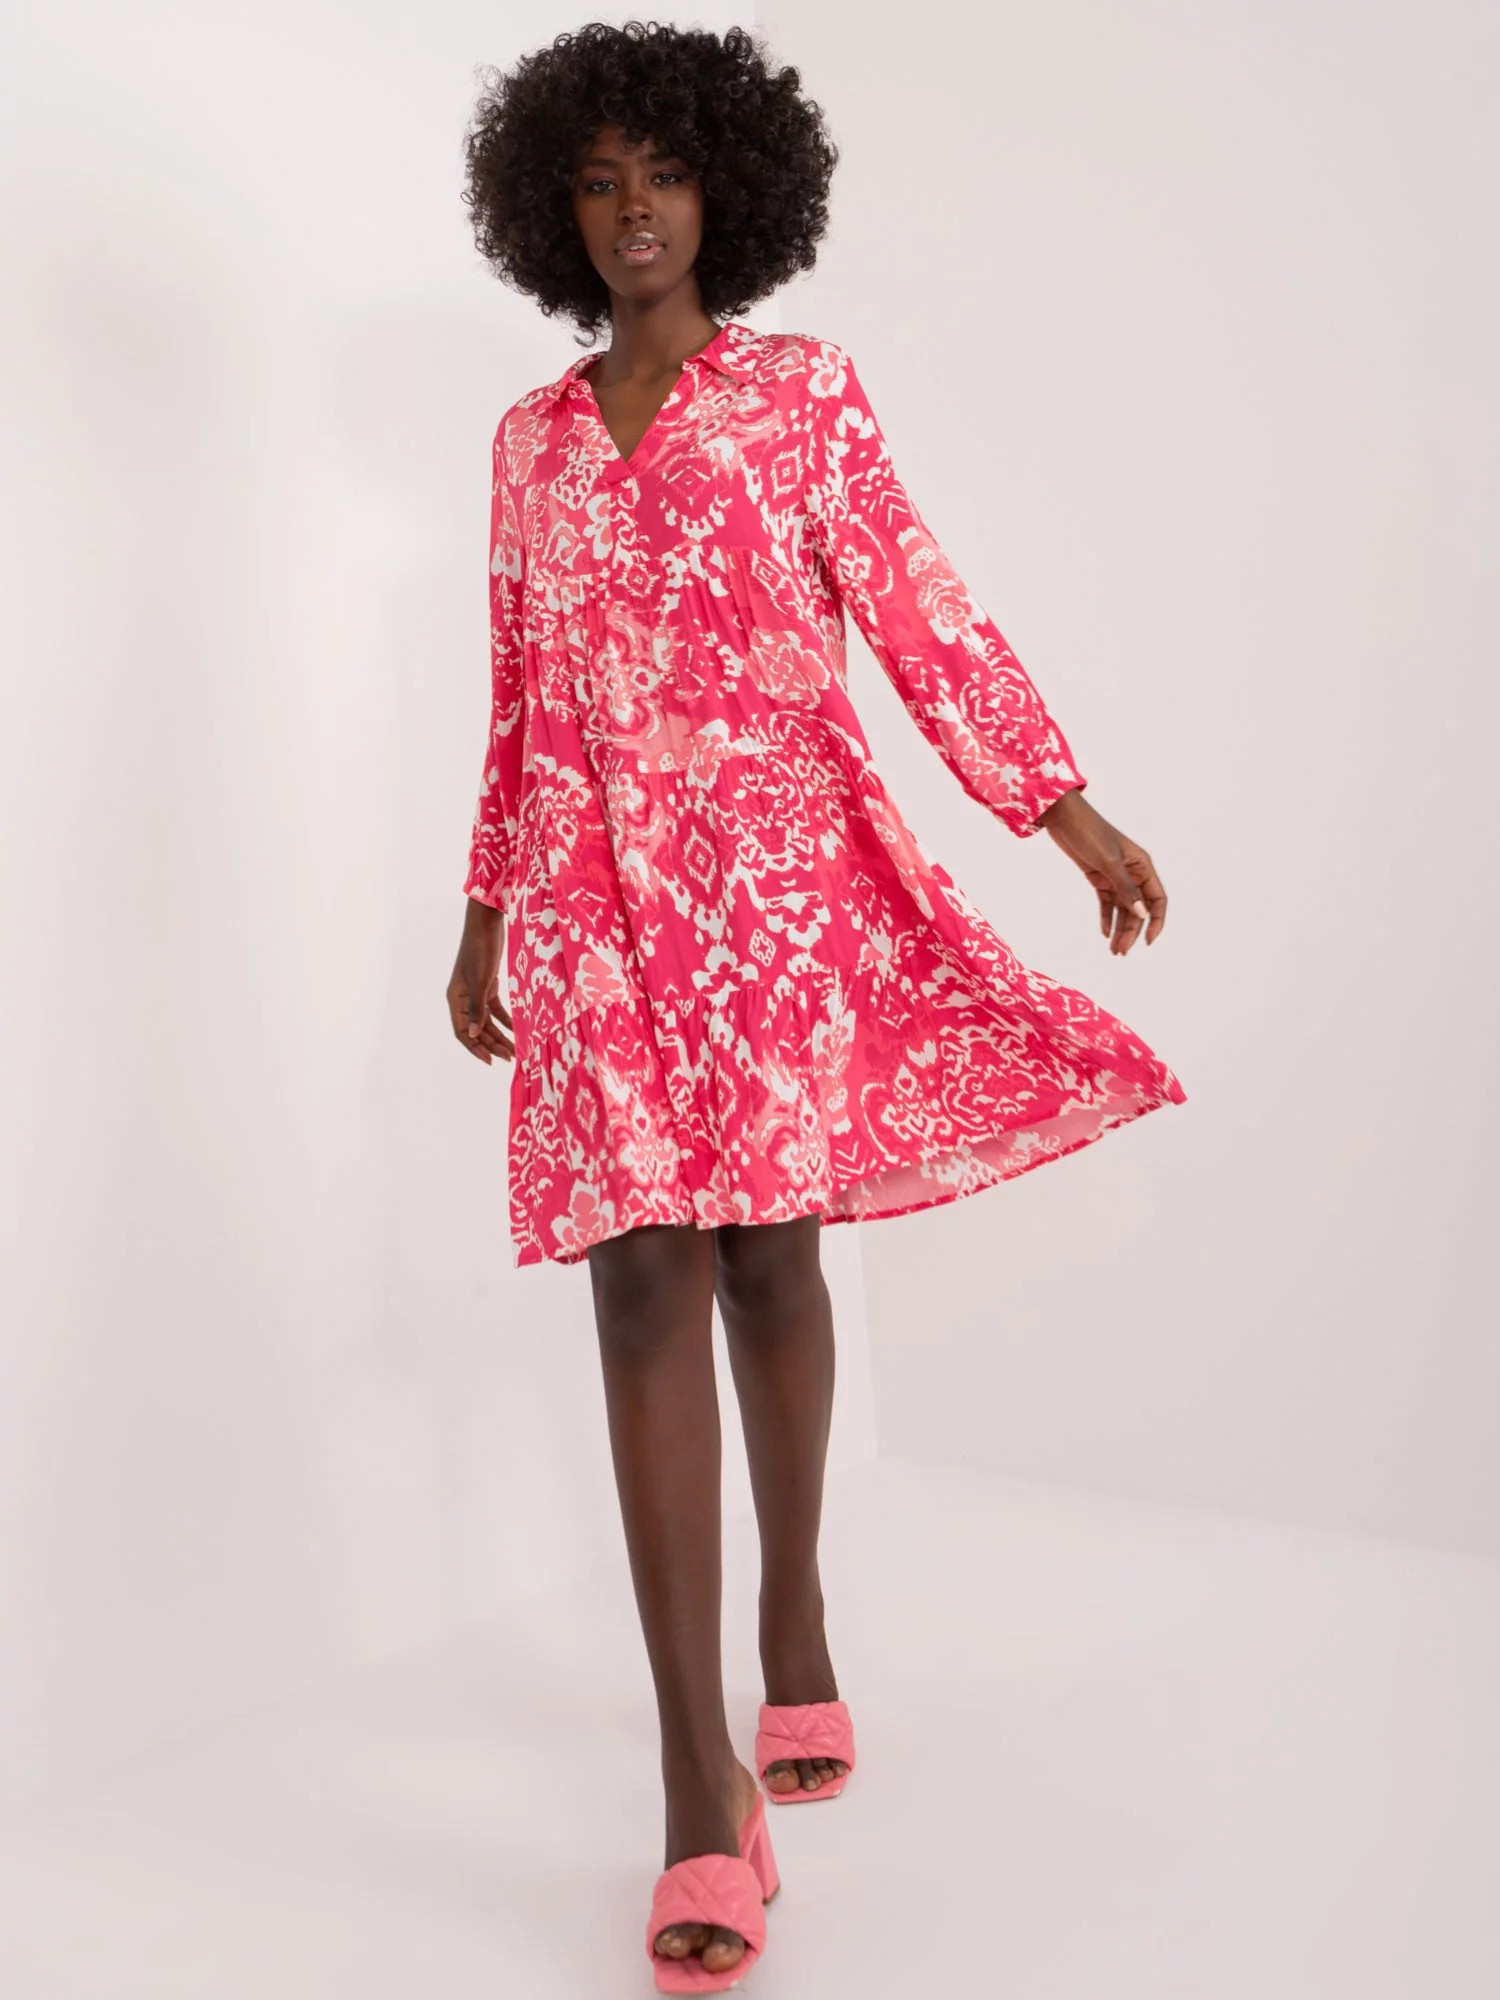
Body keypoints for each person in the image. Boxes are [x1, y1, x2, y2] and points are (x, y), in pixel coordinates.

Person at [447, 20, 1186, 1991]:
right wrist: (484, 910)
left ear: (730, 191)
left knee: (770, 1256)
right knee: (638, 1275)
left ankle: (795, 1622)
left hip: (773, 881)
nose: (632, 209)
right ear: (551, 209)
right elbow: (518, 687)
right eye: (597, 180)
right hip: (592, 895)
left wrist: (1061, 808)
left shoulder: (800, 399)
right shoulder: (528, 442)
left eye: (663, 175)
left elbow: (922, 608)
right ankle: (700, 1792)